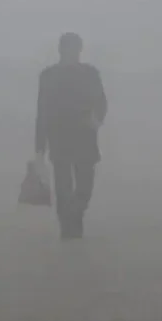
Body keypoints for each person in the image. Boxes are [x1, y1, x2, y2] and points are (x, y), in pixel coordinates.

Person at [35, 32, 108, 239]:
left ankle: (75, 214)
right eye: (68, 48)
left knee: (85, 187)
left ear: (79, 50)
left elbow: (102, 102)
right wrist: (39, 147)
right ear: (60, 50)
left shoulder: (90, 73)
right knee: (63, 186)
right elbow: (42, 111)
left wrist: (96, 120)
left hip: (85, 135)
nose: (71, 53)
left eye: (75, 49)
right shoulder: (48, 75)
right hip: (59, 137)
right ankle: (68, 229)